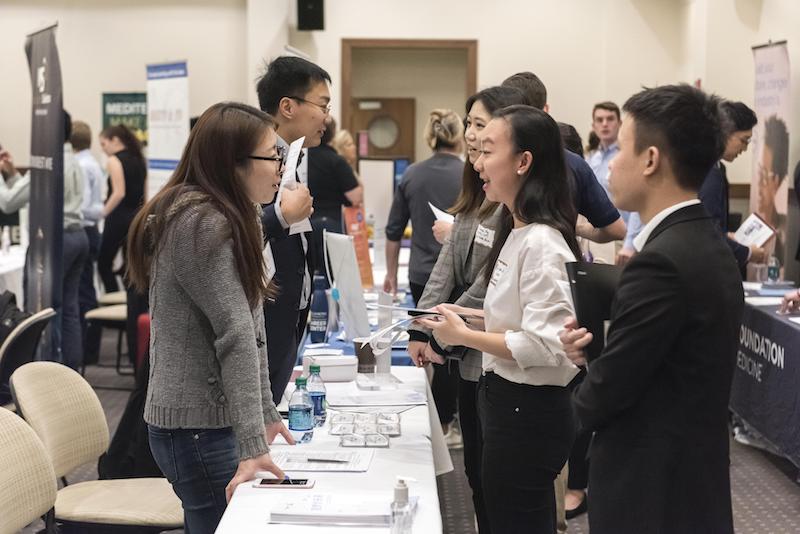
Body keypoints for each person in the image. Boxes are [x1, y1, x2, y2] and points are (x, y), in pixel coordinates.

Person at [560, 84, 743, 533]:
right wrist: (596, 350)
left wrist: (586, 382)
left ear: (651, 159)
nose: (611, 164)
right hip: (690, 477)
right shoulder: (703, 239)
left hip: (652, 490)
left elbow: (605, 394)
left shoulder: (661, 261)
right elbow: (666, 360)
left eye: (622, 148)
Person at [127, 102, 293, 533]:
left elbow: (252, 326)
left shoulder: (236, 214)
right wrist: (252, 442)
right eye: (272, 156)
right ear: (233, 163)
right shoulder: (200, 222)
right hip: (195, 428)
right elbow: (235, 333)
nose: (281, 167)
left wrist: (264, 411)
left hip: (209, 422)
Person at [419, 105, 580, 533]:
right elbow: (515, 316)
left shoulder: (542, 242)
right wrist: (468, 315)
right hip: (506, 402)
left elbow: (545, 345)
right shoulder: (518, 230)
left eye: (488, 151)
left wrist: (463, 335)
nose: (477, 164)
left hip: (528, 410)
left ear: (523, 162)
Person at [408, 85, 528, 533]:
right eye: (470, 124)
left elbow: (486, 286)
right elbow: (446, 266)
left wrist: (441, 330)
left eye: (481, 125)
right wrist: (421, 328)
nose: (472, 134)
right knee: (476, 472)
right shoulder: (476, 185)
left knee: (495, 476)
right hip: (464, 348)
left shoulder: (514, 202)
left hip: (491, 353)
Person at [384, 108, 464, 444]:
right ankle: (445, 421)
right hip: (459, 276)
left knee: (428, 343)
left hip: (420, 274)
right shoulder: (470, 174)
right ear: (460, 136)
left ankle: (438, 419)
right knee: (450, 347)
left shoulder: (412, 175)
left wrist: (391, 275)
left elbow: (393, 231)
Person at [255, 56, 326, 402]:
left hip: (286, 318)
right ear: (287, 107)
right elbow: (232, 233)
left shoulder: (292, 159)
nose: (326, 117)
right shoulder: (253, 161)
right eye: (322, 105)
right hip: (263, 319)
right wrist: (282, 216)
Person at [0, 111, 89, 370]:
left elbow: (8, 202)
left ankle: (47, 372)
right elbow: (32, 191)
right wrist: (12, 175)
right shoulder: (73, 159)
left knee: (44, 311)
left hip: (54, 241)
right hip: (78, 236)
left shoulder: (47, 162)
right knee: (69, 309)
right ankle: (71, 370)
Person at [501, 72, 626, 243]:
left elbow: (617, 230)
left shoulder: (492, 162)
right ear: (545, 110)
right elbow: (615, 229)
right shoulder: (574, 163)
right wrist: (569, 226)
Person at [700, 100, 764, 273]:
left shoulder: (715, 167)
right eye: (744, 140)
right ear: (725, 133)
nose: (745, 148)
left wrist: (726, 235)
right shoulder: (710, 172)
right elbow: (708, 231)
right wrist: (747, 253)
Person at [585, 101, 643, 265]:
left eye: (610, 119)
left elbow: (638, 202)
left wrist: (630, 243)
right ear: (593, 126)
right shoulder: (591, 159)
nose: (605, 124)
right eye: (600, 120)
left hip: (622, 238)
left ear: (620, 123)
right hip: (595, 236)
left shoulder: (627, 157)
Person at [97, 124, 146, 293]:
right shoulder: (139, 159)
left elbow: (119, 193)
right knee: (130, 266)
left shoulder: (114, 161)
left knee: (103, 262)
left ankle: (112, 297)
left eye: (103, 144)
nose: (103, 149)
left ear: (115, 140)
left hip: (118, 218)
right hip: (136, 217)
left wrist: (102, 213)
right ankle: (131, 302)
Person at [70, 120, 105, 356]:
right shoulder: (92, 163)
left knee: (82, 291)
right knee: (86, 287)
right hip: (93, 229)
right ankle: (90, 345)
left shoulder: (79, 166)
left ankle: (87, 347)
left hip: (83, 227)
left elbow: (79, 204)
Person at [307, 117, 362, 265]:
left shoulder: (301, 156)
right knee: (333, 271)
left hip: (306, 224)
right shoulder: (336, 161)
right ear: (331, 134)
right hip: (331, 224)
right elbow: (355, 197)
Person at [756, 115, 789, 265]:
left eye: (764, 176)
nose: (758, 186)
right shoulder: (755, 224)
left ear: (776, 181)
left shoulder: (782, 233)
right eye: (759, 173)